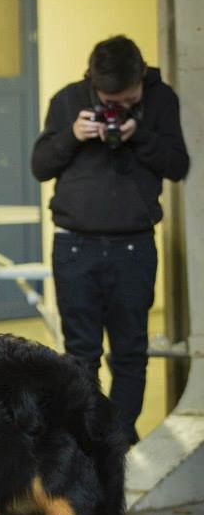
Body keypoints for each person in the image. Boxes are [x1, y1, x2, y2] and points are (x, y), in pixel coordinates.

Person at [31, 35, 189, 445]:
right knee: (80, 355)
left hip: (133, 247)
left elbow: (178, 164)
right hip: (75, 247)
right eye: (108, 98)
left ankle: (117, 442)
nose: (117, 105)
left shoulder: (160, 101)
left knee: (130, 353)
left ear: (142, 77)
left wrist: (141, 134)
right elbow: (40, 166)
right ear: (91, 81)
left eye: (127, 97)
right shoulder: (68, 100)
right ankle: (88, 440)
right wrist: (72, 135)